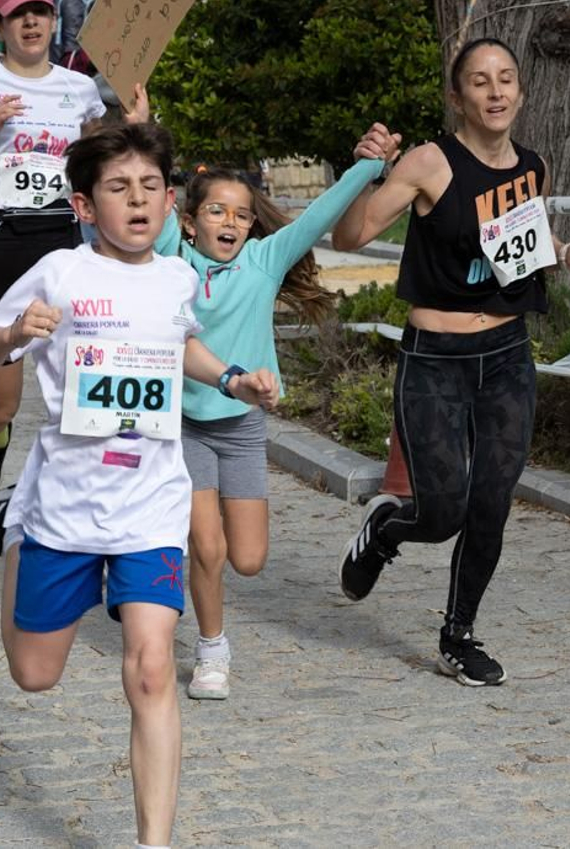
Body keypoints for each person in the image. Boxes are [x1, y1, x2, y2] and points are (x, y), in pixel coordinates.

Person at [0, 121, 279, 848]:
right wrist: (14, 337)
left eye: (150, 188)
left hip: (151, 503)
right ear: (83, 204)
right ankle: (11, 526)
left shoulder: (175, 275)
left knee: (149, 668)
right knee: (34, 674)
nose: (137, 201)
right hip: (65, 508)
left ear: (170, 201)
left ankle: (152, 842)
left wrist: (231, 376)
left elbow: (184, 342)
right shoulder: (60, 273)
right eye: (117, 188)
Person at [329, 37, 570, 687]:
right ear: (458, 97)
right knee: (444, 508)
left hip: (506, 354)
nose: (496, 90)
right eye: (480, 81)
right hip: (435, 359)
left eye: (506, 78)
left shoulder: (532, 167)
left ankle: (460, 633)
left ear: (521, 90)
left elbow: (521, 237)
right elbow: (350, 236)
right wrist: (368, 172)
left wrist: (564, 254)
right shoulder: (429, 163)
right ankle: (389, 530)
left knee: (492, 502)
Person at [155, 138, 398, 701]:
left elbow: (318, 216)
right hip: (184, 424)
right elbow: (155, 196)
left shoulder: (263, 262)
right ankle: (212, 651)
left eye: (242, 214)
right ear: (190, 223)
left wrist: (369, 164)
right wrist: (142, 127)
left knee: (248, 558)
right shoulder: (174, 258)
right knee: (207, 547)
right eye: (216, 211)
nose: (231, 222)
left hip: (240, 428)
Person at [0, 0, 149, 501]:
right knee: (3, 400)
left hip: (62, 242)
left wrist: (134, 127)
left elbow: (101, 156)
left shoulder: (77, 89)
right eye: (17, 13)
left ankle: (78, 489)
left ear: (54, 20)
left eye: (40, 11)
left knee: (80, 384)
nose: (31, 22)